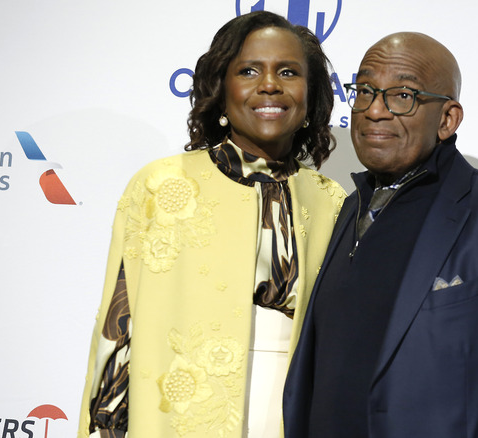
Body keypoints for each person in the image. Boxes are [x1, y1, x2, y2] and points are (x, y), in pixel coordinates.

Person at [283, 32, 478, 438]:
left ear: (448, 119)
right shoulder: (346, 208)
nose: (374, 110)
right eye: (364, 90)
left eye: (403, 96)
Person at [78, 11, 345, 438]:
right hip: (176, 417)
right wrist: (105, 428)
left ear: (311, 97)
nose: (270, 84)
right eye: (249, 70)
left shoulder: (332, 201)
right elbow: (119, 326)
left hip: (293, 415)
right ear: (221, 91)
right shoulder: (162, 186)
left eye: (289, 72)